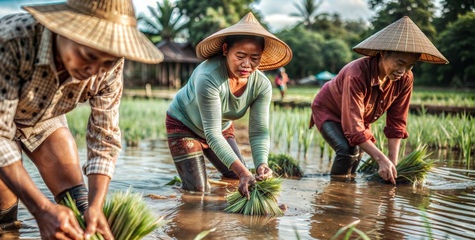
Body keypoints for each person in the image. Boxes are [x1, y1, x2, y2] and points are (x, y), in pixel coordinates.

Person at [0, 0, 163, 240]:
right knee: (0, 210)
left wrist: (96, 207)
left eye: (107, 62)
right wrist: (41, 209)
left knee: (78, 205)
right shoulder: (10, 41)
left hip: (43, 111)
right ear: (64, 31)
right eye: (88, 56)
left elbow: (104, 136)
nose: (95, 71)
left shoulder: (109, 61)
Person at [165, 12, 292, 198]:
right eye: (240, 56)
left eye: (254, 58)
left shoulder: (262, 85)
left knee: (235, 178)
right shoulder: (209, 77)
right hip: (184, 126)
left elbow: (259, 131)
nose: (247, 64)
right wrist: (244, 173)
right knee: (197, 192)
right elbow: (212, 133)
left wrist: (261, 165)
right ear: (225, 50)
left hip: (221, 129)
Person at [309, 16, 448, 184]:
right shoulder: (357, 74)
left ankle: (347, 189)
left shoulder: (405, 79)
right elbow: (354, 129)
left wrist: (392, 162)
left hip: (358, 116)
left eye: (409, 66)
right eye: (400, 63)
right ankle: (336, 194)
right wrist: (381, 160)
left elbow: (397, 122)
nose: (402, 71)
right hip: (329, 109)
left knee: (358, 153)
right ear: (383, 53)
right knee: (348, 151)